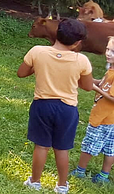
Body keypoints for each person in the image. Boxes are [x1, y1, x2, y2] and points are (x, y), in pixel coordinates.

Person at [18, 18, 94, 193]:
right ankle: (61, 186)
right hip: (67, 110)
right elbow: (88, 87)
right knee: (62, 148)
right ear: (77, 43)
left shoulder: (37, 51)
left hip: (42, 106)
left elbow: (21, 73)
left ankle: (35, 182)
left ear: (57, 34)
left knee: (41, 146)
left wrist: (36, 67)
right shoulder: (82, 61)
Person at [70, 36, 114, 184]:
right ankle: (104, 175)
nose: (108, 53)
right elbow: (104, 84)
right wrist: (90, 81)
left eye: (113, 51)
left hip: (102, 118)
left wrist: (95, 88)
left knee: (90, 144)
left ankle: (80, 171)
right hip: (110, 119)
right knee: (110, 147)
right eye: (108, 49)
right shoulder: (111, 71)